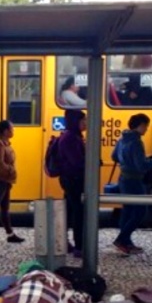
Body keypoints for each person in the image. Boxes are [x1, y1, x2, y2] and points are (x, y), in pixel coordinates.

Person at [112, 113, 152, 254]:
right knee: (140, 211)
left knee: (127, 211)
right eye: (146, 126)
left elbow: (114, 156)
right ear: (140, 125)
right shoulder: (136, 142)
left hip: (123, 179)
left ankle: (127, 243)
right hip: (134, 180)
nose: (146, 129)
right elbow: (141, 166)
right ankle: (122, 239)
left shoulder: (122, 138)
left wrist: (126, 161)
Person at [57, 109, 87, 258]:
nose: (86, 123)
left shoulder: (72, 136)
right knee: (78, 213)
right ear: (76, 122)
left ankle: (63, 242)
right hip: (73, 180)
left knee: (69, 211)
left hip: (70, 179)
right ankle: (79, 246)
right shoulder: (71, 138)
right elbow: (77, 162)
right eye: (83, 120)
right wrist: (91, 160)